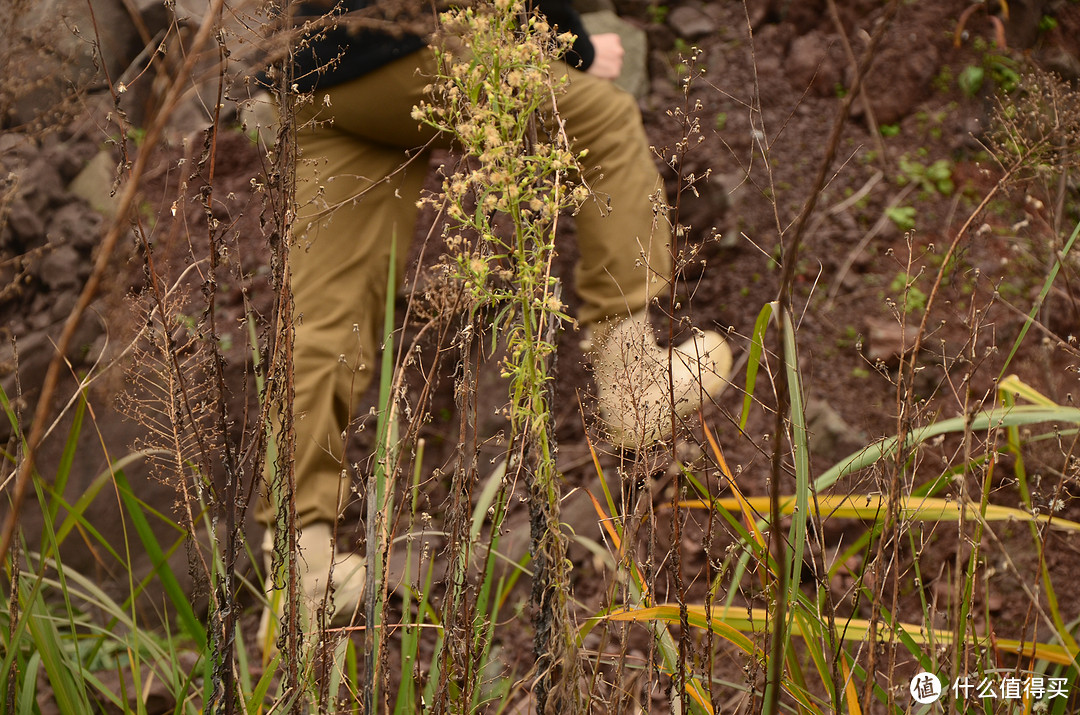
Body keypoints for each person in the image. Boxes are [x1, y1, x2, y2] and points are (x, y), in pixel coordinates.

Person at [255, 0, 732, 644]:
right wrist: (576, 44)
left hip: (304, 69)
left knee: (322, 319)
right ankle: (632, 381)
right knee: (602, 118)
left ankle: (301, 564)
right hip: (398, 45)